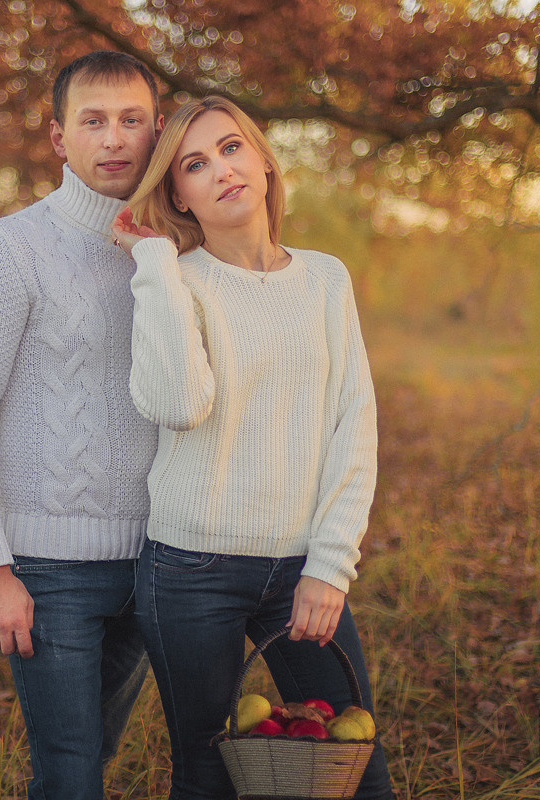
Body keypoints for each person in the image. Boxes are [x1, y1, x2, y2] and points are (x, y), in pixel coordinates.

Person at [111, 95, 394, 799]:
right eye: (196, 164)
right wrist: (155, 262)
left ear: (263, 161)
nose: (222, 171)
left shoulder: (326, 278)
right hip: (188, 570)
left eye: (231, 148)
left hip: (301, 564)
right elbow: (179, 406)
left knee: (359, 775)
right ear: (178, 193)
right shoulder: (173, 282)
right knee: (208, 776)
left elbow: (353, 424)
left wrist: (330, 568)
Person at [0, 51, 164, 800]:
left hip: (160, 563)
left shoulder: (175, 249)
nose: (114, 139)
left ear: (158, 131)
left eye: (131, 120)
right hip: (50, 571)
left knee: (95, 758)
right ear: (59, 137)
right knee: (67, 769)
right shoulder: (12, 250)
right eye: (93, 121)